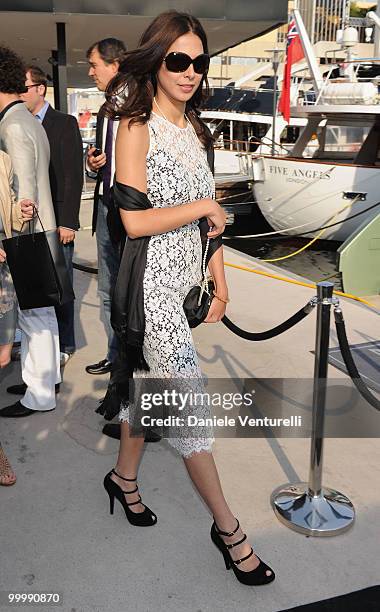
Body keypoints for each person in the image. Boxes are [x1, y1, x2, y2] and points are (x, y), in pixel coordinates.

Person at [101, 11, 275, 586]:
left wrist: (220, 277)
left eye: (199, 62)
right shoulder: (135, 125)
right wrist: (203, 209)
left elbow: (213, 218)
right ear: (156, 59)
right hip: (150, 290)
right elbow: (131, 220)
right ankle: (229, 531)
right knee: (192, 414)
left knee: (148, 394)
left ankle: (123, 479)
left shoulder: (198, 131)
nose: (190, 71)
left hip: (186, 285)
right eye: (178, 59)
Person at [0, 45, 60, 418]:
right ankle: (42, 382)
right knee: (42, 314)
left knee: (33, 316)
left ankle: (38, 395)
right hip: (41, 232)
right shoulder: (25, 119)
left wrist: (15, 236)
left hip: (27, 235)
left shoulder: (12, 125)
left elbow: (24, 191)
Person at [20, 65, 83, 366]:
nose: (19, 95)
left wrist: (68, 220)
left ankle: (65, 344)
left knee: (61, 284)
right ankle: (39, 344)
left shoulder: (64, 123)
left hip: (57, 220)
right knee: (34, 286)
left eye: (23, 88)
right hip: (27, 222)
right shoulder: (16, 123)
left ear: (40, 89)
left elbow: (72, 174)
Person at [85, 38, 127, 376]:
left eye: (94, 65)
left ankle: (127, 362)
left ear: (114, 65)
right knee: (106, 287)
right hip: (104, 205)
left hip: (129, 213)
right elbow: (102, 159)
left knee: (128, 290)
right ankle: (115, 358)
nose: (90, 72)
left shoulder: (142, 104)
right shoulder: (105, 108)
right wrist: (93, 163)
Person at [0, 149, 35, 485]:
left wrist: (19, 213)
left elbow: (8, 212)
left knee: (3, 354)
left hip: (3, 272)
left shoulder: (3, 159)